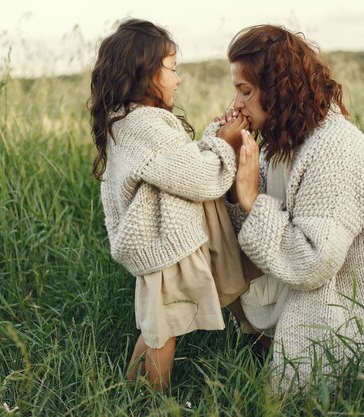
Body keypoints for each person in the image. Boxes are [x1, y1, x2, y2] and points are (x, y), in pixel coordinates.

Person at [215, 24, 364, 392]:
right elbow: (246, 226)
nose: (236, 105)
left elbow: (313, 262)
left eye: (245, 91)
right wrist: (228, 167)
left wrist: (251, 199)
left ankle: (281, 360)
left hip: (360, 318)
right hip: (316, 291)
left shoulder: (334, 149)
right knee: (208, 221)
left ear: (278, 91)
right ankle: (261, 341)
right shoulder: (283, 142)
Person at [89, 19, 250, 390]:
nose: (178, 80)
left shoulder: (131, 120)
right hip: (165, 247)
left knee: (158, 328)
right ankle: (150, 401)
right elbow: (196, 176)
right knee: (162, 332)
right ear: (144, 72)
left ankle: (130, 395)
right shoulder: (144, 124)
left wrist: (214, 136)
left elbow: (177, 163)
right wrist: (224, 143)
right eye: (172, 69)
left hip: (164, 244)